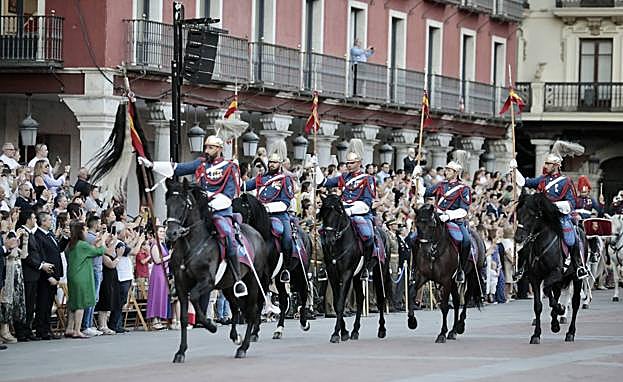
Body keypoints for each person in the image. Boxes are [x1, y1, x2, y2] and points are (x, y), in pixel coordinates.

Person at [139, 135, 248, 297]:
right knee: (183, 233)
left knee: (227, 234)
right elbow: (178, 168)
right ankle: (180, 277)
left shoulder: (230, 167)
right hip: (201, 212)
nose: (206, 151)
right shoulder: (201, 164)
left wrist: (210, 204)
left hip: (220, 211)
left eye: (210, 148)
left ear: (219, 149)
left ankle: (237, 277)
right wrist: (152, 165)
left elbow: (230, 193)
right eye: (206, 147)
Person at [510, 147, 588, 279]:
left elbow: (571, 203)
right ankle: (522, 267)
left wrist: (554, 206)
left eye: (548, 164)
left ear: (556, 166)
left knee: (572, 238)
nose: (545, 166)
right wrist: (515, 170)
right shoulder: (542, 180)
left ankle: (578, 265)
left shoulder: (566, 181)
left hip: (559, 216)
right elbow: (525, 182)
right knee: (528, 237)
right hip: (543, 218)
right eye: (545, 163)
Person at [316, 140, 378, 280]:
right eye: (347, 163)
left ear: (359, 163)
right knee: (325, 233)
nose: (348, 165)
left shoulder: (368, 179)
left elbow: (367, 203)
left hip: (360, 212)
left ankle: (367, 268)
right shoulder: (343, 177)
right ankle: (326, 266)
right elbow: (323, 183)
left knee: (368, 235)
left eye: (351, 163)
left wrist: (349, 211)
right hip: (342, 213)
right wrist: (316, 167)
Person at [414, 152, 472, 284]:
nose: (446, 172)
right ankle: (415, 268)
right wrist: (416, 177)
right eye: (446, 169)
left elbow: (464, 210)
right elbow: (424, 192)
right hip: (437, 218)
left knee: (466, 240)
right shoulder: (441, 185)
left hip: (454, 220)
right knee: (413, 238)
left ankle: (460, 270)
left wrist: (449, 215)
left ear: (456, 172)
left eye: (449, 170)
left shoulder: (464, 188)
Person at [243, 146, 295, 283]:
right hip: (261, 216)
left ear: (280, 164)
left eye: (275, 162)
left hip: (279, 215)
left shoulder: (285, 179)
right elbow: (244, 186)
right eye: (270, 162)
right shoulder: (261, 178)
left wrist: (265, 208)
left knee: (287, 238)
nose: (271, 164)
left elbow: (285, 203)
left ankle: (286, 269)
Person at [65, 221, 110, 339]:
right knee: (80, 303)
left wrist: (95, 244)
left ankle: (69, 328)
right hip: (82, 276)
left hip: (72, 275)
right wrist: (103, 241)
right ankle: (77, 330)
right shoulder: (82, 245)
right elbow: (99, 252)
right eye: (84, 230)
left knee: (73, 303)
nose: (86, 232)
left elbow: (89, 252)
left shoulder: (72, 244)